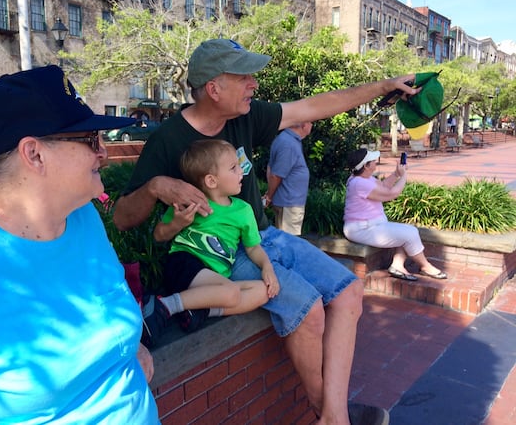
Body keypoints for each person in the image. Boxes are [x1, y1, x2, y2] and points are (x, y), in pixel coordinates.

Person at [112, 38, 418, 425]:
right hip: (222, 255)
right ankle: (334, 417)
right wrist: (156, 185)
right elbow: (123, 217)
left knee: (349, 292)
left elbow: (312, 107)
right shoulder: (167, 140)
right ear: (214, 88)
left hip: (264, 236)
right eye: (244, 77)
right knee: (309, 311)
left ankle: (333, 416)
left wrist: (381, 87)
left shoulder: (245, 115)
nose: (254, 84)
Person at [0, 65, 160, 424]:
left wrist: (124, 348)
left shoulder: (83, 220)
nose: (104, 153)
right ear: (34, 154)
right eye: (92, 140)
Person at [143, 139, 279, 347]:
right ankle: (164, 306)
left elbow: (252, 247)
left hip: (214, 280)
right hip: (184, 264)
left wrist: (266, 266)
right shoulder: (191, 202)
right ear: (211, 181)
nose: (241, 171)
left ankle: (198, 309)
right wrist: (177, 223)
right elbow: (159, 235)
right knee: (232, 293)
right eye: (233, 168)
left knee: (263, 292)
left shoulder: (243, 210)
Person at [343, 148, 448, 281]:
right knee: (410, 234)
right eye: (374, 161)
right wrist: (404, 176)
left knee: (407, 231)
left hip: (373, 225)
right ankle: (425, 266)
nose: (376, 162)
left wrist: (396, 173)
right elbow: (391, 194)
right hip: (361, 229)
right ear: (366, 165)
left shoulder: (365, 178)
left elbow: (385, 186)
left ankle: (397, 265)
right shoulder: (359, 183)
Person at [264, 121, 313, 235]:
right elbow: (276, 175)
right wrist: (269, 196)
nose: (312, 125)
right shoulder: (288, 143)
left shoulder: (289, 140)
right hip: (288, 204)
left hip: (288, 203)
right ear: (304, 124)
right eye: (311, 122)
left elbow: (271, 169)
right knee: (287, 243)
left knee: (287, 242)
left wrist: (270, 193)